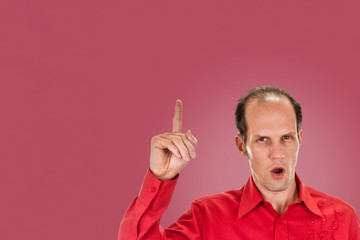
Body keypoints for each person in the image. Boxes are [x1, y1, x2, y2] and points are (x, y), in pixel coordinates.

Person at [119, 86, 360, 239]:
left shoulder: (343, 218)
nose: (277, 153)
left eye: (286, 138)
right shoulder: (207, 217)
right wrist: (160, 177)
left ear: (299, 140)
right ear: (241, 146)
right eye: (263, 139)